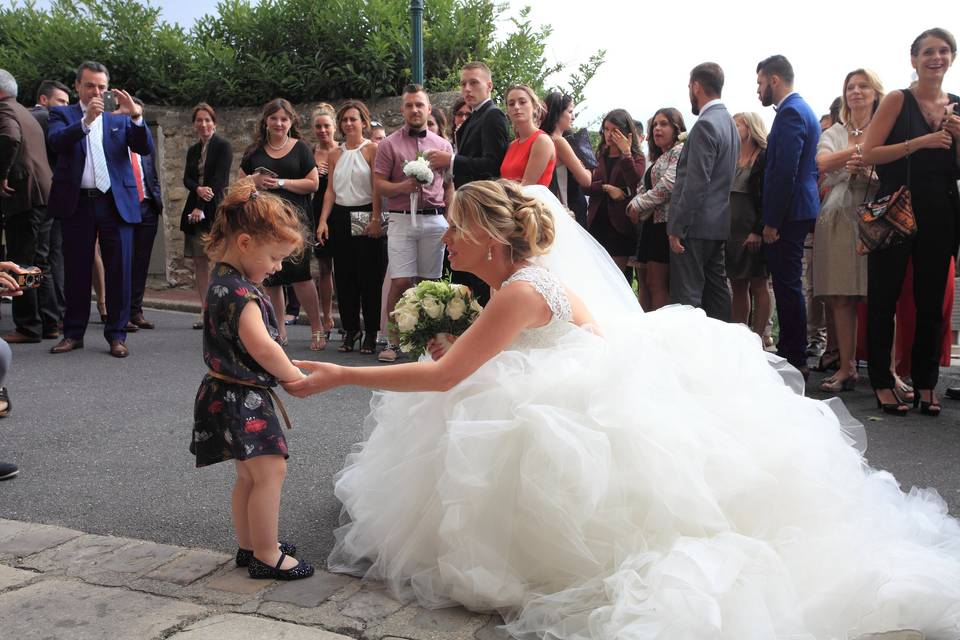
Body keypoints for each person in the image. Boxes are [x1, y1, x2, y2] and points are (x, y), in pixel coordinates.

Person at [286, 181, 960, 639]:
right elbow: (582, 344)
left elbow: (442, 377)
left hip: (564, 407)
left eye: (456, 232)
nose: (449, 245)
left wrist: (341, 375)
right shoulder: (531, 281)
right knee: (478, 403)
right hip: (583, 383)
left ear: (489, 237)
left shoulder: (521, 291)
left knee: (479, 416)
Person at [191, 179, 313, 581]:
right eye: (275, 258)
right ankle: (266, 552)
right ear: (245, 243)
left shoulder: (222, 280)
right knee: (269, 473)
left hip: (223, 392)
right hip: (243, 398)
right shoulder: (240, 293)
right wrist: (294, 376)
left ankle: (249, 544)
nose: (277, 267)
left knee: (248, 475)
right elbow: (262, 347)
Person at [862, 27, 960, 417]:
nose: (936, 58)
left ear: (951, 58)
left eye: (944, 51)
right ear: (914, 59)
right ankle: (883, 383)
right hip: (896, 206)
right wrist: (921, 142)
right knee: (884, 297)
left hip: (941, 209)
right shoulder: (898, 100)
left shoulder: (957, 106)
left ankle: (925, 384)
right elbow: (870, 152)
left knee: (931, 302)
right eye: (928, 52)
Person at [47, 61, 154, 358]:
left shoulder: (118, 119)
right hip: (78, 202)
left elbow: (144, 147)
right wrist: (86, 122)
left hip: (114, 202)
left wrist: (136, 116)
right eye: (90, 85)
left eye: (102, 87)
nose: (96, 91)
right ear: (78, 86)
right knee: (77, 270)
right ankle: (73, 333)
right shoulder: (62, 114)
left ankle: (117, 335)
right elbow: (55, 142)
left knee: (119, 270)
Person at [813, 70, 884, 393]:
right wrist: (859, 156)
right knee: (841, 296)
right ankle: (846, 367)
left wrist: (867, 167)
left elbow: (894, 164)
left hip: (879, 216)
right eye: (850, 87)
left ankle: (889, 372)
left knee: (882, 296)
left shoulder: (886, 128)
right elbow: (823, 162)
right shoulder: (836, 130)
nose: (856, 91)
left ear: (875, 92)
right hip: (838, 218)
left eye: (863, 85)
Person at [374, 86, 452, 363]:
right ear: (402, 110)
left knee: (431, 282)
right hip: (401, 219)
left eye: (420, 105)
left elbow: (450, 185)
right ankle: (392, 340)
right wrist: (403, 186)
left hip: (434, 219)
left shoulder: (443, 145)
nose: (415, 110)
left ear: (429, 109)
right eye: (409, 105)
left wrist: (451, 220)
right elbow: (380, 185)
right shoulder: (388, 144)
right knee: (401, 280)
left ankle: (429, 341)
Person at [239, 98, 322, 350]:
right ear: (266, 121)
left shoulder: (301, 149)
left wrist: (282, 183)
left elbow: (314, 183)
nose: (279, 123)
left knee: (301, 276)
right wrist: (253, 180)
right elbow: (238, 186)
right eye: (274, 118)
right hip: (264, 223)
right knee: (271, 278)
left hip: (295, 224)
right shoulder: (254, 152)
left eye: (284, 119)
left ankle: (317, 328)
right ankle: (279, 330)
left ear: (291, 122)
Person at [756, 54, 821, 375]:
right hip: (797, 209)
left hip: (789, 212)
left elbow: (784, 171)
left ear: (774, 80)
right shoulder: (800, 109)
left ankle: (793, 355)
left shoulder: (792, 112)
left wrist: (771, 221)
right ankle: (792, 351)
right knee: (788, 283)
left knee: (787, 284)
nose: (758, 90)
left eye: (759, 83)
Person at [425, 61, 510, 305]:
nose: (467, 89)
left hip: (481, 207)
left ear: (489, 85)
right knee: (465, 273)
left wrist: (450, 159)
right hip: (466, 204)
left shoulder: (493, 116)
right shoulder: (474, 117)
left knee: (480, 272)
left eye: (474, 83)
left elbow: (494, 165)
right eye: (463, 84)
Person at [667, 63, 738, 320]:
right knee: (717, 293)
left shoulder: (705, 124)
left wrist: (678, 226)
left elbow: (696, 183)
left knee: (687, 299)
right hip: (718, 224)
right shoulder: (730, 124)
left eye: (689, 86)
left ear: (696, 86)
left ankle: (688, 356)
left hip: (695, 226)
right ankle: (723, 351)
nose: (689, 92)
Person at [316, 100, 384, 354]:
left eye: (353, 119)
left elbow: (377, 187)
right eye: (344, 120)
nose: (348, 124)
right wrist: (323, 220)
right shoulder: (335, 154)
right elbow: (330, 191)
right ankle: (350, 329)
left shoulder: (373, 149)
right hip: (341, 215)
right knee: (344, 276)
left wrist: (377, 217)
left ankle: (371, 332)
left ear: (364, 123)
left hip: (366, 211)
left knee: (369, 276)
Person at [0, 69, 54, 345]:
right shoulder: (24, 111)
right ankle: (49, 322)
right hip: (43, 196)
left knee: (21, 261)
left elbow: (9, 138)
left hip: (24, 197)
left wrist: (2, 173)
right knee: (39, 262)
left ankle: (29, 326)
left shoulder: (4, 111)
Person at [626, 108, 686, 311]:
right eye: (655, 125)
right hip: (652, 223)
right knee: (649, 282)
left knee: (659, 283)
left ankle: (662, 335)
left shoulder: (679, 151)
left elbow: (669, 185)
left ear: (676, 128)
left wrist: (637, 204)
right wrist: (635, 203)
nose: (657, 129)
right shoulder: (659, 156)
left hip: (667, 223)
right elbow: (643, 187)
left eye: (664, 124)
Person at [182, 103, 233, 330]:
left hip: (215, 209)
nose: (203, 124)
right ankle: (205, 310)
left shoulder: (223, 146)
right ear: (194, 124)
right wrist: (197, 190)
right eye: (199, 120)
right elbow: (187, 179)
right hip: (194, 207)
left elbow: (219, 179)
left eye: (207, 120)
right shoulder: (193, 150)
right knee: (200, 262)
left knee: (219, 261)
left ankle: (220, 311)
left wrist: (201, 205)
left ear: (215, 123)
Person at [29, 79, 70, 339]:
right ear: (44, 100)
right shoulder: (45, 118)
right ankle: (58, 316)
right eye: (61, 102)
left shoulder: (36, 118)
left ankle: (48, 320)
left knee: (39, 258)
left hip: (40, 200)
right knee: (55, 258)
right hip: (57, 198)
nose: (65, 108)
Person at [586, 108, 645, 278]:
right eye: (606, 129)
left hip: (620, 224)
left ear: (626, 132)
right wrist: (606, 188)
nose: (609, 134)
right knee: (595, 276)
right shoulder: (598, 155)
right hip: (596, 220)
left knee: (614, 278)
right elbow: (585, 184)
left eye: (614, 130)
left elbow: (635, 183)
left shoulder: (636, 156)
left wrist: (626, 154)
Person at [727, 112, 770, 338]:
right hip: (731, 228)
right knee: (737, 284)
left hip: (751, 226)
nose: (734, 128)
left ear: (751, 127)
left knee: (759, 283)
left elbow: (767, 196)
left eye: (738, 124)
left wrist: (758, 230)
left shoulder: (763, 156)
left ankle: (760, 335)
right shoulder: (731, 156)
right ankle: (740, 335)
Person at [127, 98, 162, 331]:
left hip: (148, 206)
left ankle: (136, 311)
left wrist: (155, 195)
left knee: (141, 263)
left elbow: (151, 173)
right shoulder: (115, 141)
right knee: (123, 262)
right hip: (125, 208)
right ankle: (119, 313)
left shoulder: (146, 143)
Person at [309, 103, 338, 350]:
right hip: (319, 213)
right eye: (318, 126)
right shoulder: (309, 153)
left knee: (348, 268)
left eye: (326, 125)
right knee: (325, 267)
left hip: (343, 211)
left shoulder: (343, 151)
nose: (322, 130)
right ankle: (326, 318)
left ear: (334, 127)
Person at [541, 92, 592, 225]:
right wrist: (584, 167)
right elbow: (586, 180)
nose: (573, 116)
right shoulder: (559, 141)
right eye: (570, 111)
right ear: (558, 113)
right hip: (567, 207)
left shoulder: (541, 138)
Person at [500, 85, 556, 187]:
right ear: (507, 110)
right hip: (509, 200)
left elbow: (527, 187)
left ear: (534, 107)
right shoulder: (512, 145)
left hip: (533, 202)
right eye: (511, 104)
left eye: (522, 102)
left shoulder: (542, 140)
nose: (516, 107)